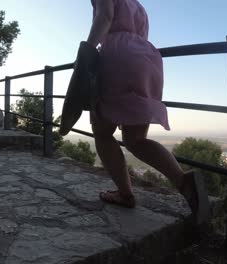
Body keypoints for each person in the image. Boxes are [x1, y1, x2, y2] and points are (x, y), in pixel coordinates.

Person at [87, 0, 209, 224]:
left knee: (102, 132)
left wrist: (85, 53)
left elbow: (104, 17)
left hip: (117, 54)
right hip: (147, 58)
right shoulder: (137, 5)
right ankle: (183, 181)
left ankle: (125, 194)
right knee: (136, 139)